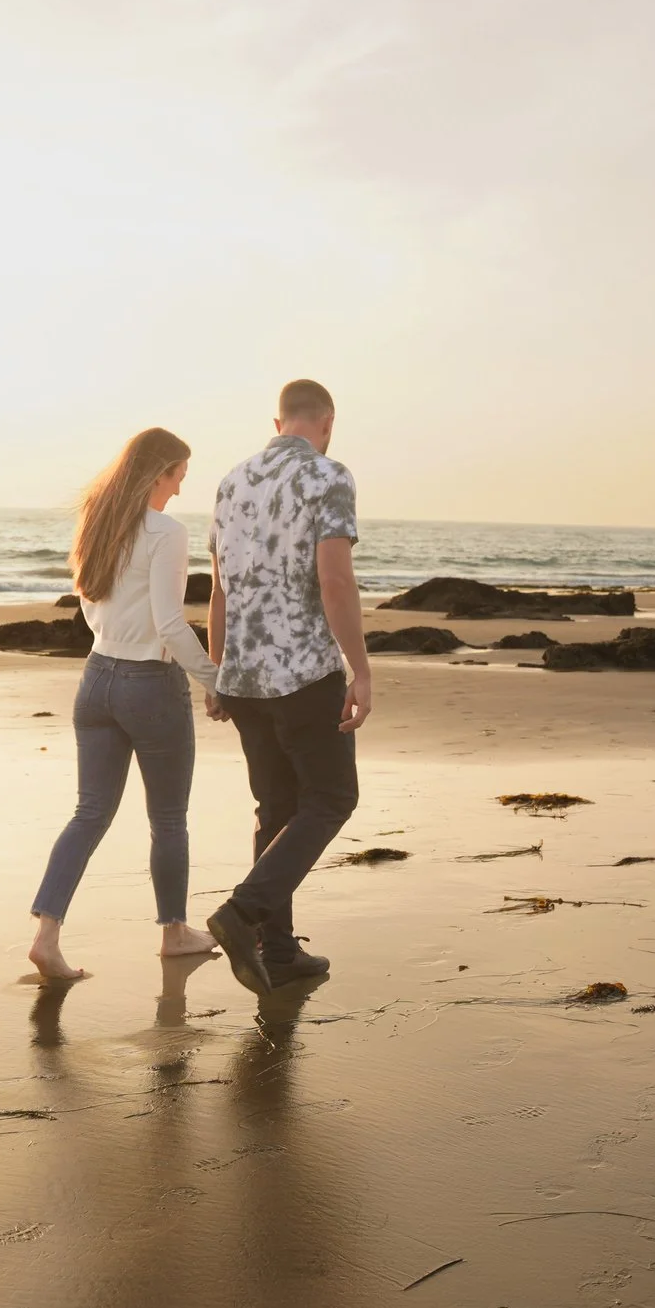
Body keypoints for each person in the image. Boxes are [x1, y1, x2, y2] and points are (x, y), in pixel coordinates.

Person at [26, 427, 220, 981]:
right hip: (150, 685)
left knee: (89, 813)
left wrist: (117, 641)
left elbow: (90, 605)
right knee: (168, 818)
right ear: (159, 473)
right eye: (179, 476)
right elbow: (170, 624)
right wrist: (214, 678)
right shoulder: (167, 532)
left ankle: (46, 937)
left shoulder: (98, 523)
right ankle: (175, 932)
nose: (180, 490)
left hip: (96, 678)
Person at [202, 379, 373, 995]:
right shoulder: (330, 476)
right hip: (302, 673)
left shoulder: (230, 481)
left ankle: (277, 951)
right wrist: (361, 668)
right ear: (326, 422)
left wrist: (216, 671)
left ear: (278, 424)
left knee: (275, 808)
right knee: (330, 799)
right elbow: (336, 583)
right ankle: (244, 916)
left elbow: (218, 590)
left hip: (243, 675)